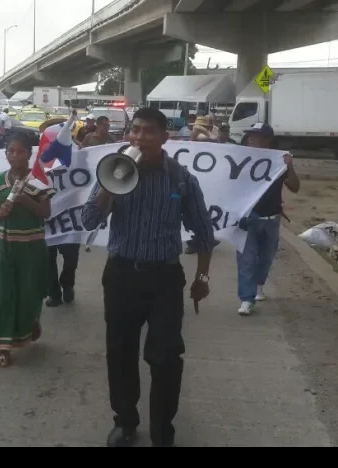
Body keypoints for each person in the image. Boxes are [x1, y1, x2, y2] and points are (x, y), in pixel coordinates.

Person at [81, 107, 215, 447]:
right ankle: (125, 422)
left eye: (149, 131)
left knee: (166, 357)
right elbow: (89, 220)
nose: (140, 137)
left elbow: (203, 232)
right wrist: (112, 184)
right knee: (121, 352)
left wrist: (202, 278)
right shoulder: (114, 169)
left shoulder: (181, 179)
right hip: (122, 274)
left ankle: (162, 430)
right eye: (135, 130)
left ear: (164, 137)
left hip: (164, 278)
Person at [0, 132, 55, 368]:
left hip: (32, 247)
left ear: (29, 154)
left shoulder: (39, 181)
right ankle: (4, 348)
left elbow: (45, 213)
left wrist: (26, 201)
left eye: (20, 151)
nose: (15, 156)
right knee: (4, 295)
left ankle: (31, 321)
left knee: (29, 293)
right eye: (10, 151)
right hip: (5, 246)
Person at [236, 123, 300, 316]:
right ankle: (246, 299)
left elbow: (295, 187)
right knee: (246, 259)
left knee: (265, 258)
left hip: (271, 218)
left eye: (256, 137)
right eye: (250, 137)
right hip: (247, 218)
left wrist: (289, 166)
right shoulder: (240, 160)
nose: (251, 140)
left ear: (267, 140)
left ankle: (258, 284)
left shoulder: (279, 162)